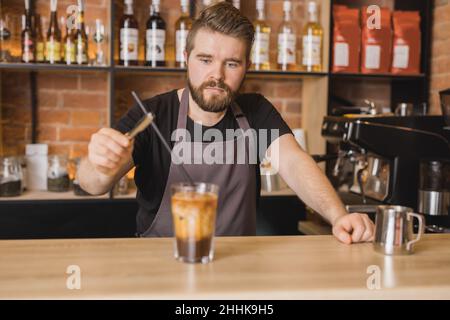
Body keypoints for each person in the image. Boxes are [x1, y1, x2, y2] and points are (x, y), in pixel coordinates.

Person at [78, 2, 374, 244]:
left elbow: (295, 163)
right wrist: (98, 162)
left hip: (240, 268)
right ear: (186, 58)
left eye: (231, 63)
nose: (216, 75)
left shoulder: (255, 113)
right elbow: (92, 184)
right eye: (205, 60)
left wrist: (339, 216)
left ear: (246, 66)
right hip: (159, 265)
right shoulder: (152, 113)